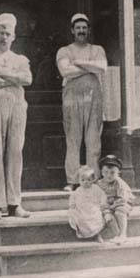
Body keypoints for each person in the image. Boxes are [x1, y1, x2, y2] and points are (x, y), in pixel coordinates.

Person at [0, 13, 33, 220]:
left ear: (13, 37)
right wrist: (13, 79)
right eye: (1, 33)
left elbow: (27, 79)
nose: (4, 37)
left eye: (8, 33)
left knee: (15, 152)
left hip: (17, 106)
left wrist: (3, 75)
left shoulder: (20, 59)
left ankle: (14, 203)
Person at [56, 13, 107, 192]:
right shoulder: (64, 51)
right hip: (72, 99)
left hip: (94, 98)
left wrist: (77, 63)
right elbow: (65, 71)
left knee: (93, 140)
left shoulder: (97, 49)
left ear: (89, 30)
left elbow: (101, 67)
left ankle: (93, 179)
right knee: (73, 140)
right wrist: (89, 67)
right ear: (72, 30)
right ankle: (72, 180)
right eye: (78, 28)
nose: (81, 31)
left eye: (84, 28)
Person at [97, 155, 134, 243]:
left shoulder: (119, 183)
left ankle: (123, 234)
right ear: (101, 172)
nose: (109, 175)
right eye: (106, 172)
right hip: (107, 204)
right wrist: (106, 209)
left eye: (112, 172)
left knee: (119, 211)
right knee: (105, 214)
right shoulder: (99, 184)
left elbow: (123, 199)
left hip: (121, 202)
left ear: (118, 173)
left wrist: (113, 206)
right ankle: (115, 234)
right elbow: (98, 198)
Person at [68, 165, 110, 242]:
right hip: (82, 209)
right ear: (79, 180)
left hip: (93, 208)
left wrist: (102, 204)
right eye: (83, 180)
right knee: (78, 217)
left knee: (97, 216)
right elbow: (73, 198)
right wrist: (72, 205)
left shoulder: (96, 188)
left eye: (88, 180)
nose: (85, 182)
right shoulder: (78, 190)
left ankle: (97, 234)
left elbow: (102, 196)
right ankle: (83, 235)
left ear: (93, 180)